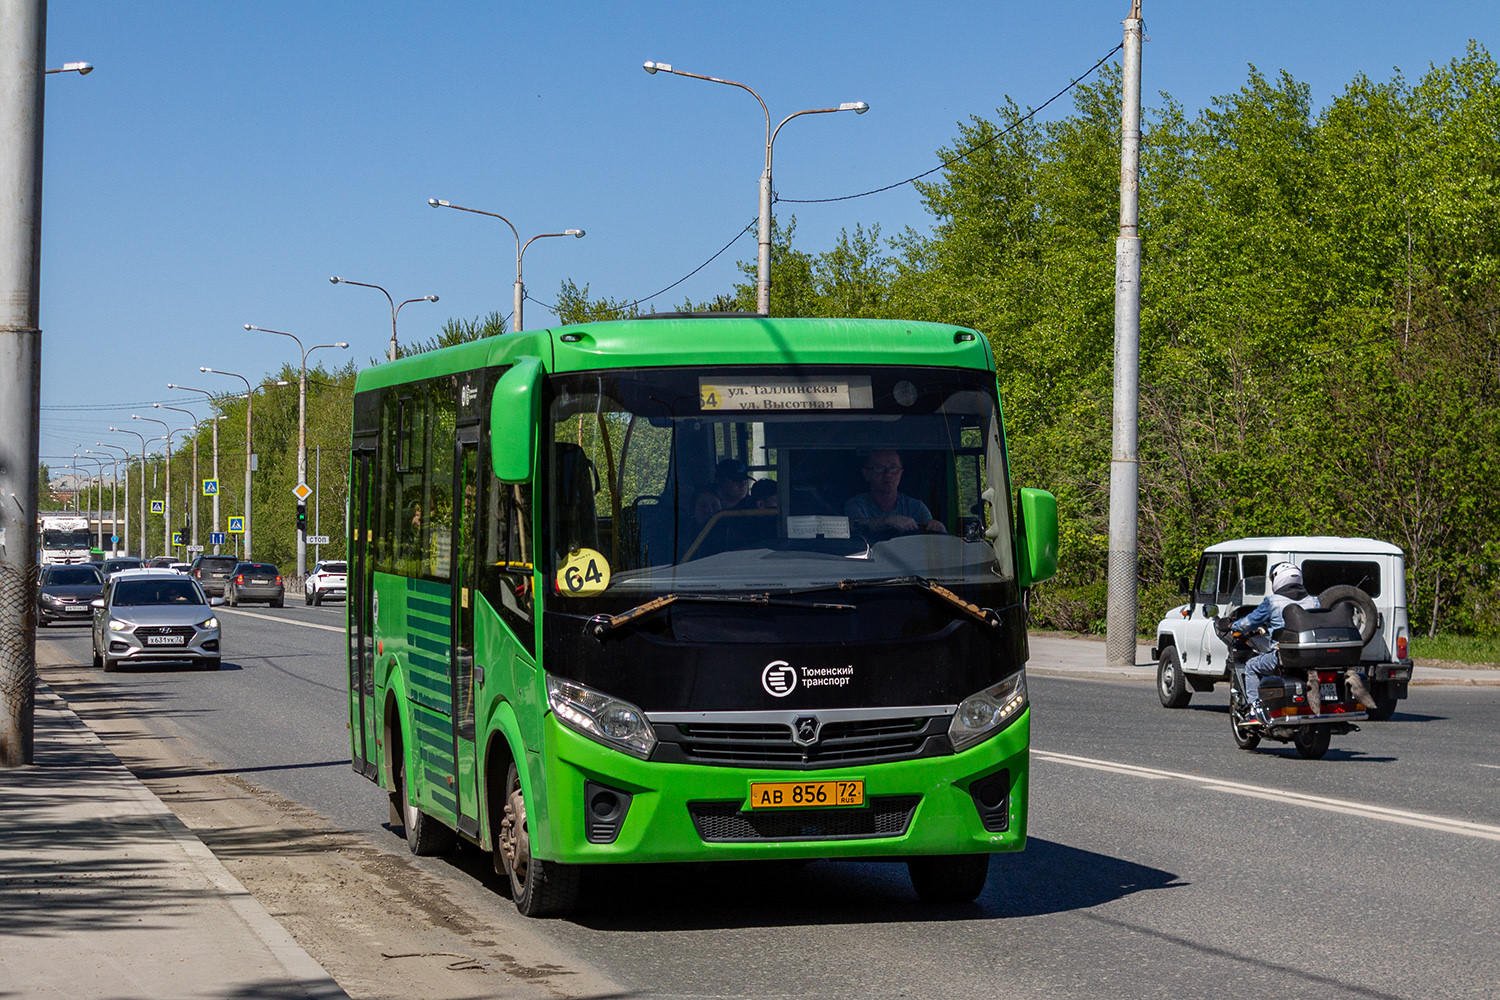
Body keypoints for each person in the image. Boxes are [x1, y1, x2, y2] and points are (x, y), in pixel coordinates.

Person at [1226, 561, 1321, 726]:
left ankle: (1255, 711)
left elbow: (1249, 623)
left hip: (1285, 656)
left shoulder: (1273, 602)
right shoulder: (1314, 601)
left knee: (1251, 666)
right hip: (1311, 657)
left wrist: (1231, 625)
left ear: (1278, 579)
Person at [844, 449, 944, 534]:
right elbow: (855, 525)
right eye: (879, 468)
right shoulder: (856, 505)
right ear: (866, 474)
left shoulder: (917, 508)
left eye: (893, 468)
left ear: (901, 473)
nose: (887, 474)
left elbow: (932, 541)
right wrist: (888, 520)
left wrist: (939, 529)